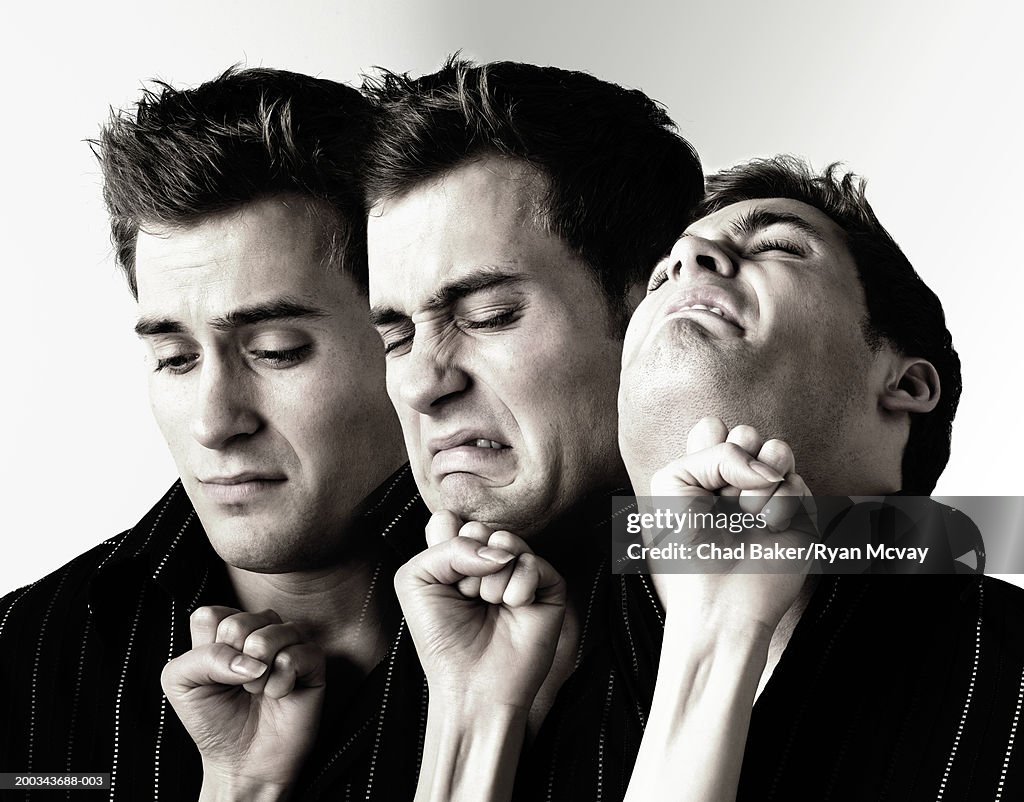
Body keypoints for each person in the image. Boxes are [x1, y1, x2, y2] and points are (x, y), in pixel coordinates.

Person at [0, 67, 430, 800]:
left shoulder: (603, 572)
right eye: (174, 359)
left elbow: (692, 536)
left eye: (275, 351)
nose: (213, 422)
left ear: (399, 332)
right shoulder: (28, 643)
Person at [617, 156, 1024, 800]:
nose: (686, 258)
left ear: (906, 384)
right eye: (663, 270)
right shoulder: (506, 680)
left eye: (777, 246)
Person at [361, 58, 704, 800]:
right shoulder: (342, 639)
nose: (423, 382)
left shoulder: (866, 551)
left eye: (487, 316)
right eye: (394, 336)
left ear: (647, 304)